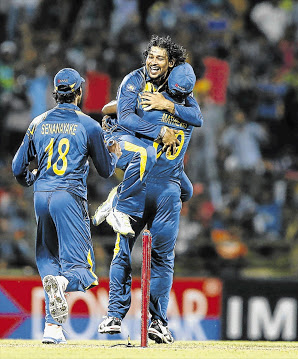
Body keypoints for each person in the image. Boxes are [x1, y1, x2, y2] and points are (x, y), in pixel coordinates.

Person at [11, 68, 121, 344]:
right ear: (79, 93)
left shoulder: (38, 122)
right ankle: (60, 284)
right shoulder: (89, 125)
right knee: (81, 270)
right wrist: (115, 154)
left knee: (49, 260)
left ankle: (52, 328)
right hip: (69, 197)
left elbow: (17, 168)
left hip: (41, 196)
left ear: (55, 94)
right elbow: (106, 171)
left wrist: (32, 178)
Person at [98, 62, 202, 344]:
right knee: (163, 261)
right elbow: (186, 185)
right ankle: (158, 323)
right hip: (169, 194)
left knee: (122, 251)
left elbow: (114, 110)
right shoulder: (191, 116)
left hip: (139, 189)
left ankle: (114, 316)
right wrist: (184, 193)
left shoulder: (150, 102)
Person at [91, 35, 197, 237]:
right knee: (146, 155)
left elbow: (197, 117)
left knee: (186, 191)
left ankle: (116, 197)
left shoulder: (175, 87)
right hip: (121, 137)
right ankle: (121, 208)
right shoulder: (135, 80)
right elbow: (110, 110)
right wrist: (158, 127)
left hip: (150, 146)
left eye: (160, 58)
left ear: (171, 64)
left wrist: (168, 105)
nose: (153, 62)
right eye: (151, 56)